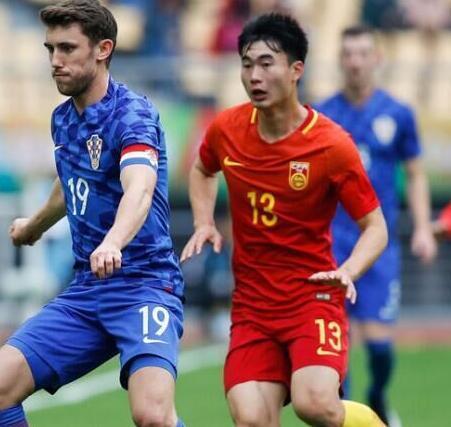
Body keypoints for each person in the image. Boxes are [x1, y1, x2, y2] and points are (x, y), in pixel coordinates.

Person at [182, 13, 388, 427]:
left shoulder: (331, 145)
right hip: (252, 308)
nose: (254, 76)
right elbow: (203, 169)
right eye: (246, 64)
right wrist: (204, 221)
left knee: (316, 405)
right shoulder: (226, 129)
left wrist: (348, 270)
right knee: (252, 419)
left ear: (296, 70)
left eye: (266, 64)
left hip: (312, 299)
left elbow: (376, 227)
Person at [0, 1, 185, 426]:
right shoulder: (63, 119)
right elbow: (70, 182)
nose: (55, 60)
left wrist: (113, 242)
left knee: (152, 416)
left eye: (67, 48)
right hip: (87, 291)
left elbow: (139, 188)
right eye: (50, 49)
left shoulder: (133, 114)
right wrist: (34, 226)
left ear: (103, 50)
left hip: (144, 285)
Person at [316, 25, 437, 426]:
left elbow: (415, 174)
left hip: (378, 244)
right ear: (340, 60)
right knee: (337, 344)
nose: (355, 62)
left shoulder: (398, 114)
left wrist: (422, 227)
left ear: (377, 59)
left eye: (363, 53)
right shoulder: (323, 114)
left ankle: (377, 395)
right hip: (332, 244)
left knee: (380, 346)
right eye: (348, 54)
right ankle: (346, 415)